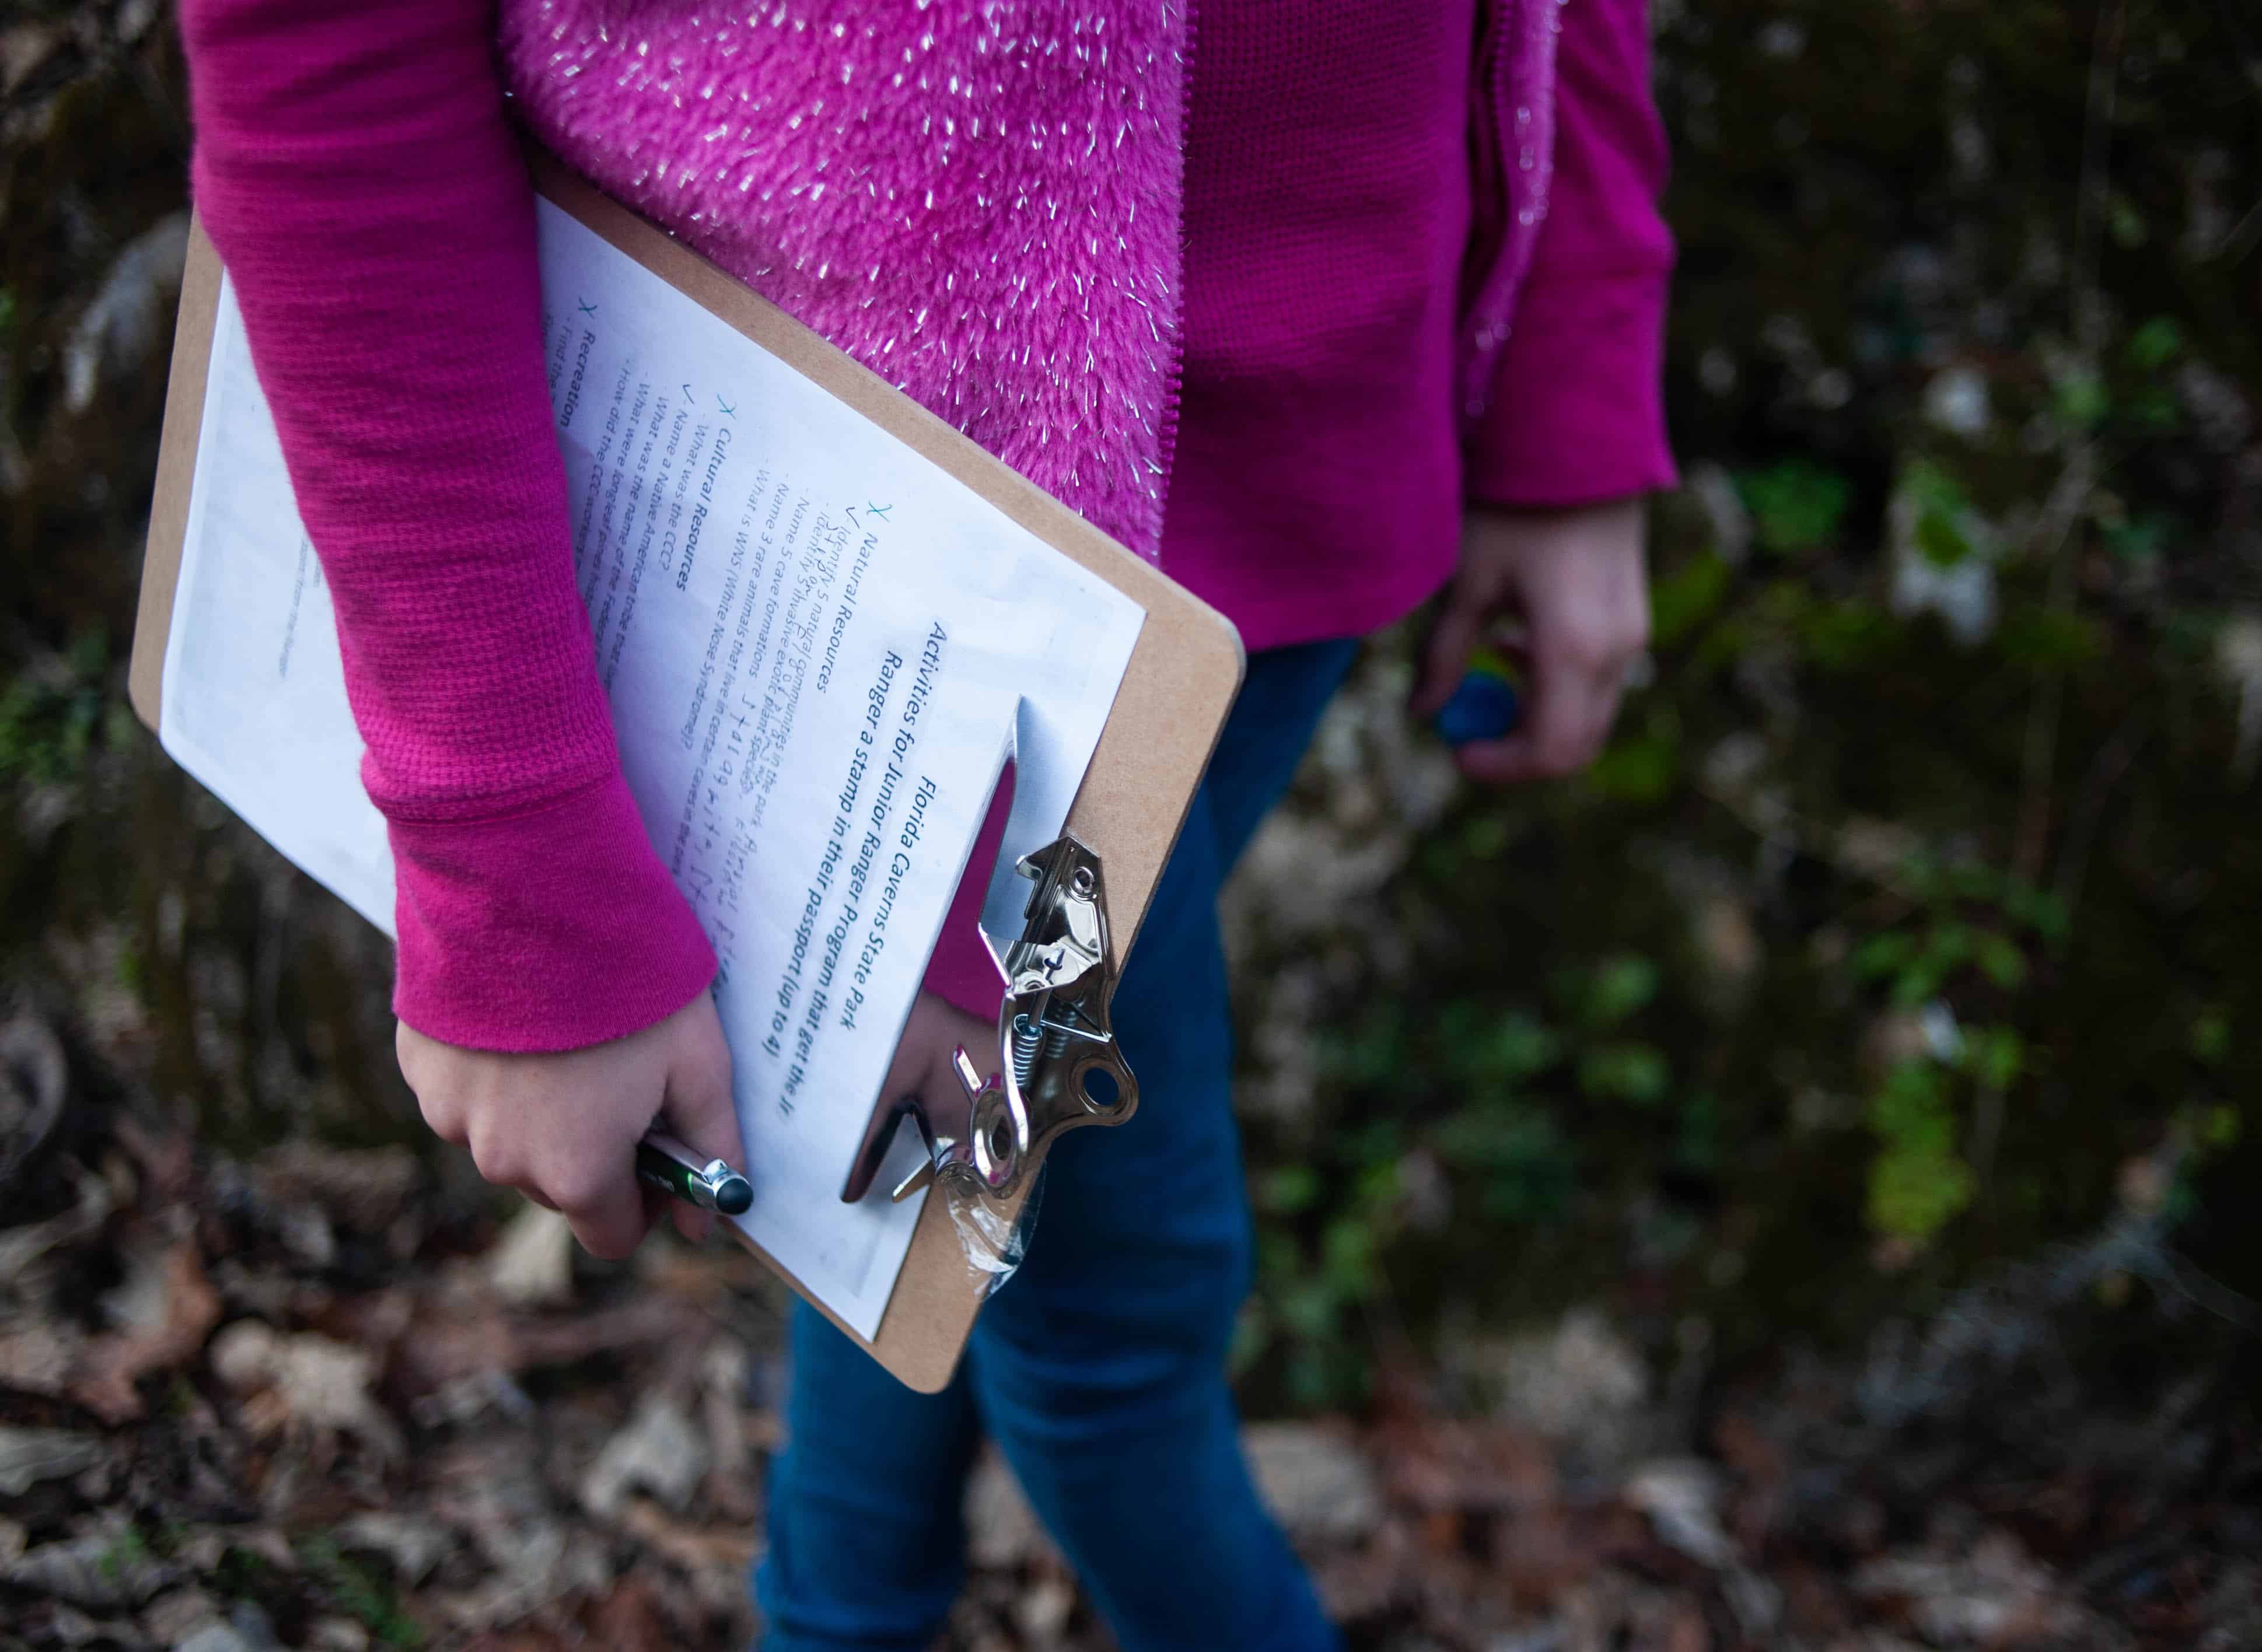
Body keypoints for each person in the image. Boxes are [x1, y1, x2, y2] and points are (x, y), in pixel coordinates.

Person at [177, 0, 1678, 1644]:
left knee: (921, 1188)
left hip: (1301, 502)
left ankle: (840, 1612)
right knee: (1109, 1314)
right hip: (850, 570)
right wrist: (510, 861)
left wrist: (1569, 377)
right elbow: (323, 47)